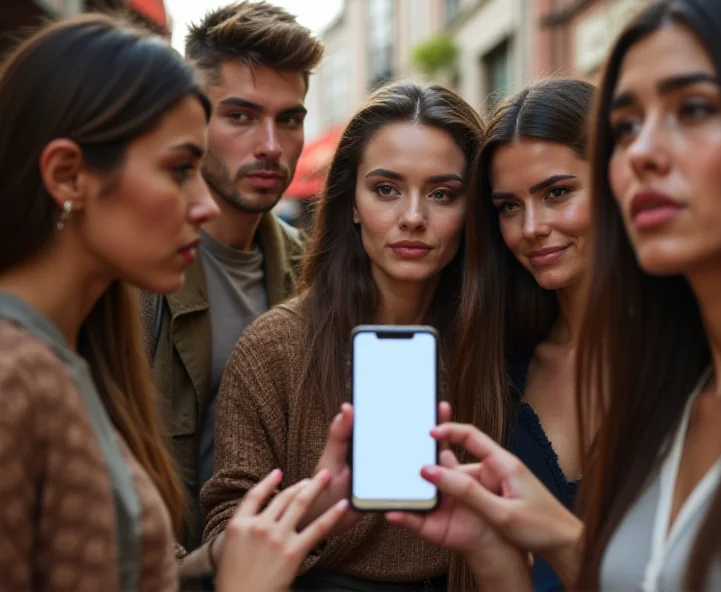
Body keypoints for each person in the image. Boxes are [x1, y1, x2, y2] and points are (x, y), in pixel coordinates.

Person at [389, 0, 721, 590]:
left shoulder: (699, 369)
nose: (642, 152)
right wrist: (499, 554)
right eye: (626, 126)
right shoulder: (498, 360)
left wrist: (559, 537)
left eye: (694, 108)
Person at [0, 14, 347, 592]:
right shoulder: (20, 374)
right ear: (67, 175)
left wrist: (278, 528)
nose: (203, 204)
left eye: (289, 120)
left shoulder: (305, 265)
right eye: (178, 168)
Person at [201, 81, 509, 591]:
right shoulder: (274, 347)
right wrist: (315, 507)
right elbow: (226, 529)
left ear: (471, 209)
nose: (413, 218)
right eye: (386, 189)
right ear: (351, 203)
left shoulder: (497, 340)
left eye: (442, 194)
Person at [139, 1, 324, 551]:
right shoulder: (135, 271)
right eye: (240, 116)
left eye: (289, 119)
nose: (270, 145)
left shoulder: (312, 269)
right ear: (194, 119)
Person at [446, 79, 594, 592]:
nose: (531, 227)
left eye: (557, 193)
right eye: (509, 206)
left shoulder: (702, 357)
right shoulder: (499, 366)